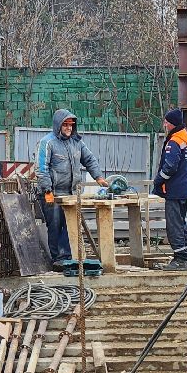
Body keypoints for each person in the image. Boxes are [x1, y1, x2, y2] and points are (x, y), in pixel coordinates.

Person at [36, 110, 107, 268]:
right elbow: (41, 168)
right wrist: (47, 190)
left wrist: (98, 177)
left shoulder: (77, 142)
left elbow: (89, 159)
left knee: (70, 226)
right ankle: (57, 259)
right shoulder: (47, 142)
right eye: (65, 124)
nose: (68, 128)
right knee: (54, 225)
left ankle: (66, 257)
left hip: (72, 193)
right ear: (58, 125)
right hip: (53, 193)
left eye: (71, 125)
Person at [153, 108, 187, 271]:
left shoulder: (175, 141)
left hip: (175, 190)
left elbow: (170, 167)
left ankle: (180, 259)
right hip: (185, 188)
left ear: (172, 124)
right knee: (181, 224)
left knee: (174, 226)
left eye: (166, 122)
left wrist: (158, 181)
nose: (164, 124)